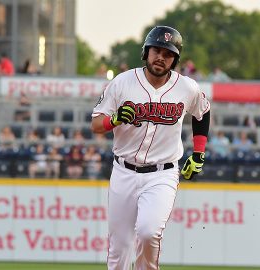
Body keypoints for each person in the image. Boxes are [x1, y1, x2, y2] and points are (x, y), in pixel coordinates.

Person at [91, 25, 210, 270]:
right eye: (157, 50)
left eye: (168, 54)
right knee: (120, 247)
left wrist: (198, 153)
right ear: (146, 52)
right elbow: (95, 124)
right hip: (123, 171)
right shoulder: (122, 82)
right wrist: (114, 120)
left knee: (148, 232)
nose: (161, 57)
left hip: (162, 173)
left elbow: (203, 113)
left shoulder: (186, 87)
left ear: (175, 59)